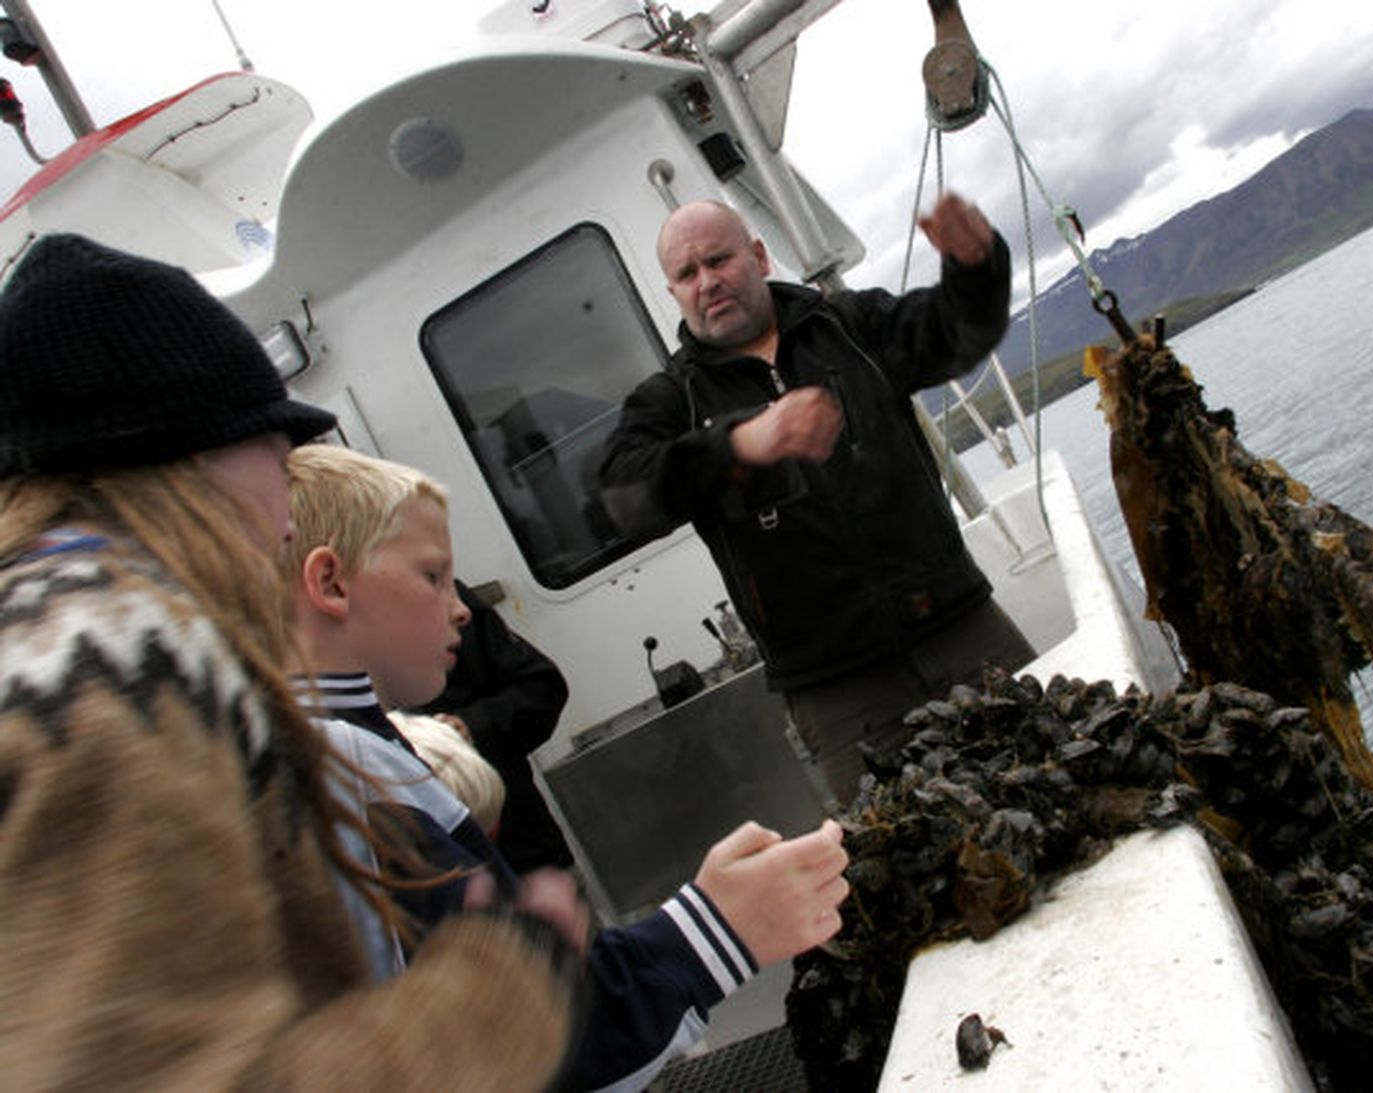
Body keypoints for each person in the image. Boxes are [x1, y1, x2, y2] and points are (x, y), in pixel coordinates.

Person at [0, 233, 578, 1088]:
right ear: (191, 455)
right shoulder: (111, 660)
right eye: (272, 443)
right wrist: (507, 984)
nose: (287, 480)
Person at [283, 441, 850, 1091]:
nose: (461, 606)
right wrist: (717, 926)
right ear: (330, 582)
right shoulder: (347, 773)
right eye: (433, 575)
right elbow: (529, 1042)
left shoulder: (336, 750)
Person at [599, 194, 1035, 802]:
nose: (708, 282)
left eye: (719, 260)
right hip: (839, 697)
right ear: (672, 293)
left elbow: (959, 333)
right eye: (687, 274)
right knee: (916, 870)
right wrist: (738, 445)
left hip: (963, 629)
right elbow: (621, 498)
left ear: (758, 255)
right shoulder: (672, 401)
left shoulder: (850, 326)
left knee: (1065, 775)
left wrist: (976, 264)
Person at [411, 578, 576, 871]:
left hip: (528, 856)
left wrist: (470, 727)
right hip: (445, 891)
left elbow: (542, 686)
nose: (460, 613)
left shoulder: (443, 593)